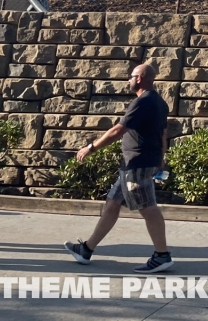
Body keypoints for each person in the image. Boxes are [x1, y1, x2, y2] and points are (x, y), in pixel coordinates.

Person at [63, 62, 174, 273]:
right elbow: (163, 134)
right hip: (137, 164)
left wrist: (91, 147)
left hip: (138, 165)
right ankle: (86, 249)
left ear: (140, 78)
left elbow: (118, 130)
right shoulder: (159, 102)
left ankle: (162, 255)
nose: (128, 80)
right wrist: (161, 160)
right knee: (113, 203)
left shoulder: (143, 102)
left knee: (148, 208)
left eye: (131, 76)